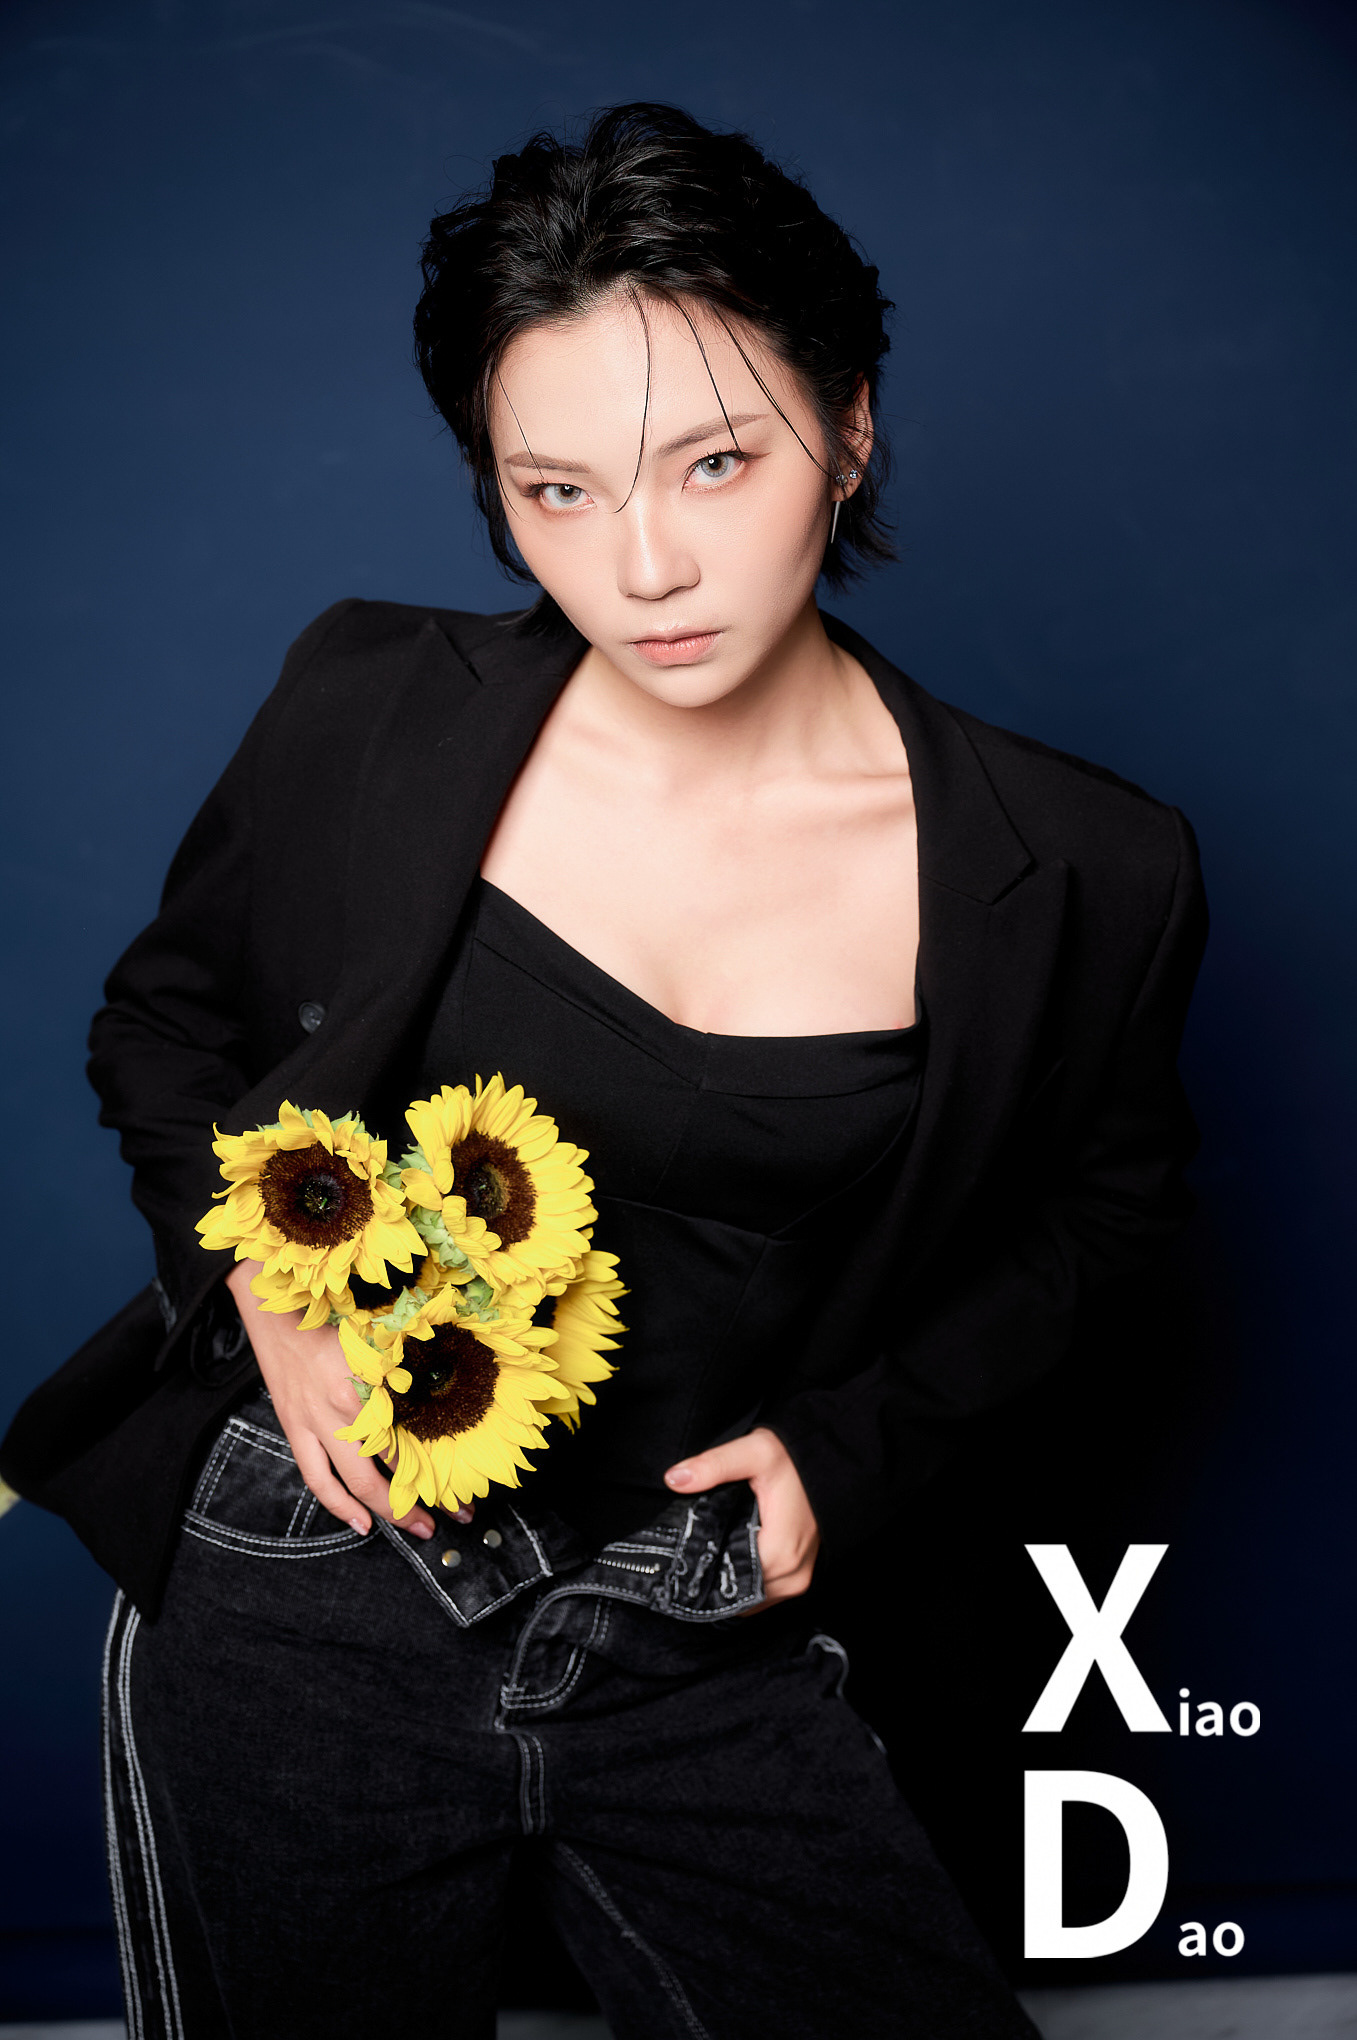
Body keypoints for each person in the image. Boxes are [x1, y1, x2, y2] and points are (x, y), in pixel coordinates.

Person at [0, 103, 1205, 2040]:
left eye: (715, 463)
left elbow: (1104, 1223)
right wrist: (258, 1285)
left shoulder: (1081, 868)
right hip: (310, 1572)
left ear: (850, 428)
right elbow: (163, 1023)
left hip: (695, 1615)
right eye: (554, 492)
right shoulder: (371, 704)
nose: (643, 566)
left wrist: (848, 1453)